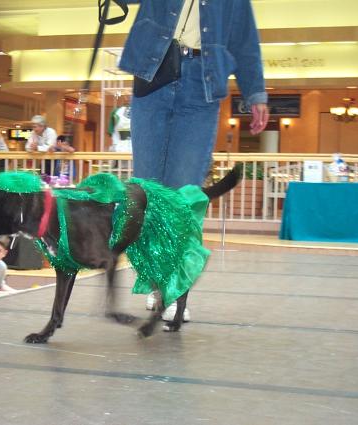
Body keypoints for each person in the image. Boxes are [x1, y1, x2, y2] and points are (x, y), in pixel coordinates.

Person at [118, 0, 269, 320]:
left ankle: (173, 287)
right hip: (153, 71)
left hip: (203, 81)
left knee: (184, 194)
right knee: (148, 190)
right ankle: (156, 279)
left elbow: (245, 40)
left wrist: (255, 93)